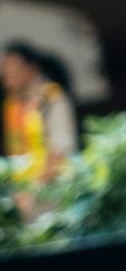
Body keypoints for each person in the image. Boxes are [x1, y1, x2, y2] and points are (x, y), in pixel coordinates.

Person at [3, 41, 78, 207]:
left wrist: (37, 189)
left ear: (31, 69)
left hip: (53, 194)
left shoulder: (52, 99)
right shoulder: (14, 105)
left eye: (12, 70)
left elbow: (61, 149)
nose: (6, 78)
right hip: (24, 196)